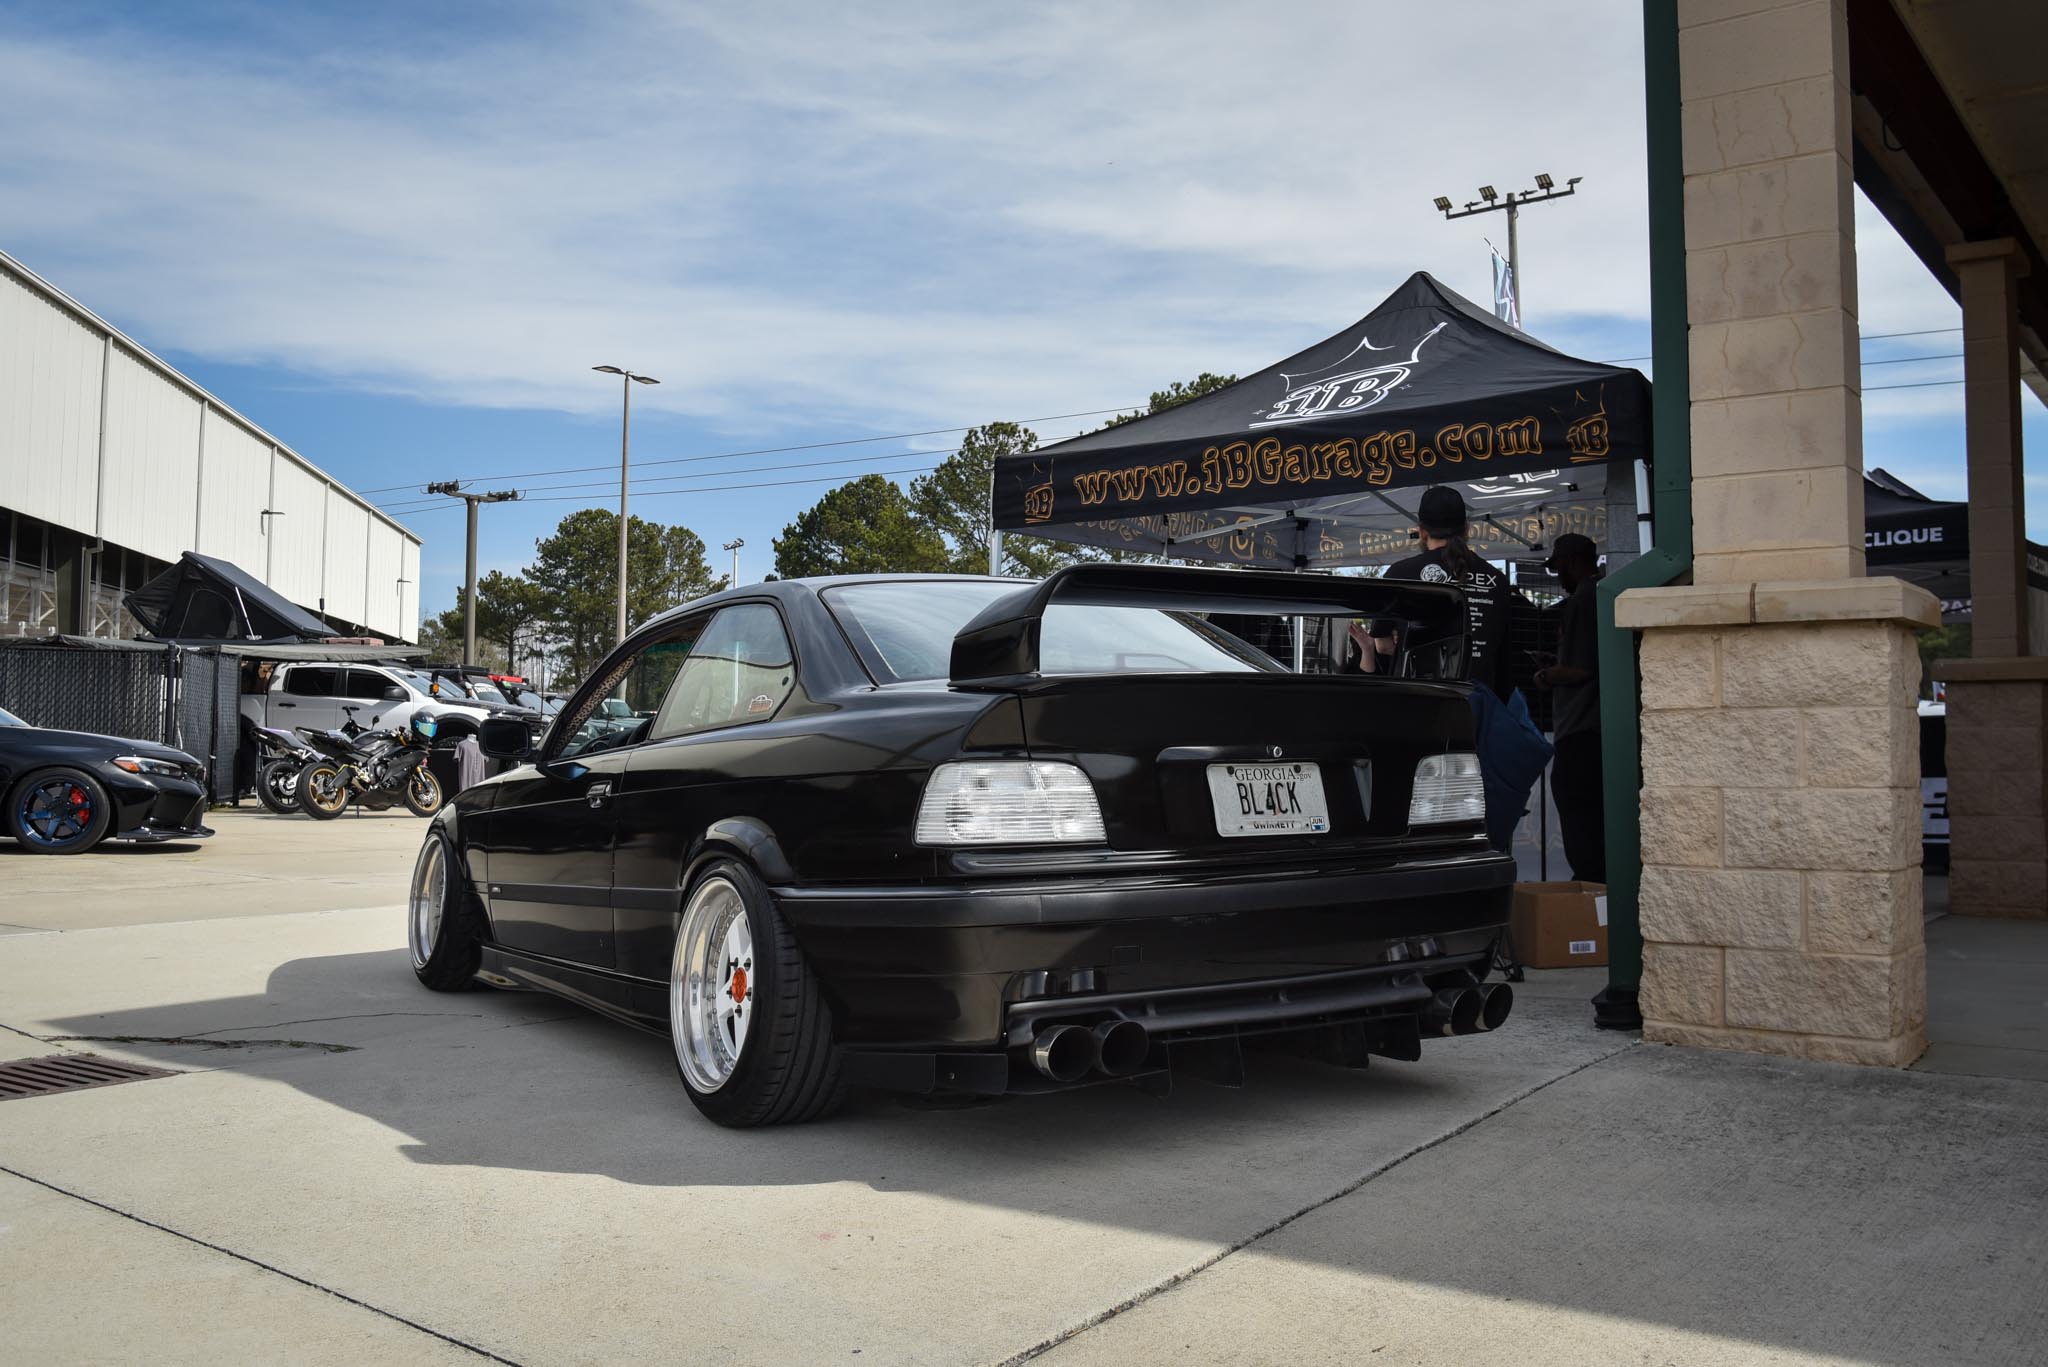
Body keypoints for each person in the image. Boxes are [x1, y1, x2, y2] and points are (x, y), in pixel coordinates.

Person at [1361, 485, 1511, 699]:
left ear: (1422, 531)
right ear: (1467, 529)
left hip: (1420, 704)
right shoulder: (1497, 581)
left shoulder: (1401, 573)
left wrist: (1404, 639)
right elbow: (1502, 659)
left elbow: (1383, 647)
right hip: (1479, 708)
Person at [1533, 532, 1606, 883]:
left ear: (1574, 562)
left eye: (1559, 568)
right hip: (1594, 729)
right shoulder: (1600, 597)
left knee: (1581, 825)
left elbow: (1580, 669)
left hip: (1579, 731)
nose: (1558, 577)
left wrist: (1546, 675)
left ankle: (1589, 894)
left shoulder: (1582, 601)